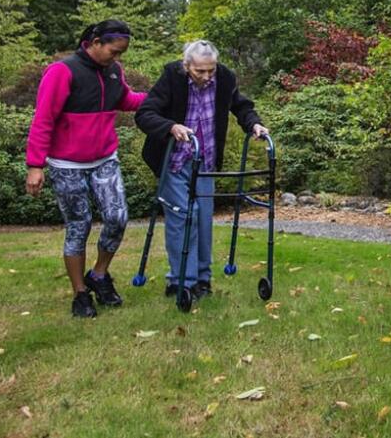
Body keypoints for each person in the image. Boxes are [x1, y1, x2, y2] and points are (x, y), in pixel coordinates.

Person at [25, 19, 148, 318]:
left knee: (117, 217)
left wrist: (163, 98)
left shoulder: (114, 71)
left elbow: (127, 101)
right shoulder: (62, 72)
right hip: (67, 164)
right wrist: (35, 165)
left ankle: (99, 275)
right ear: (95, 43)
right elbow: (43, 120)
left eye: (122, 53)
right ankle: (81, 294)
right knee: (78, 226)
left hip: (104, 159)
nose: (117, 58)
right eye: (114, 51)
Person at [135, 40, 268, 302]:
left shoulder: (225, 78)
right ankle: (180, 281)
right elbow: (145, 114)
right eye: (199, 72)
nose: (206, 77)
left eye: (211, 70)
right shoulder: (172, 77)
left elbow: (241, 106)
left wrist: (255, 125)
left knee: (204, 218)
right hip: (172, 160)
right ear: (187, 67)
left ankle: (203, 280)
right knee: (184, 217)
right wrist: (171, 126)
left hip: (205, 161)